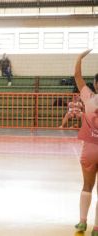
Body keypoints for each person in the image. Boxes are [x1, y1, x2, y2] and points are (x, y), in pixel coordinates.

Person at [72, 49, 98, 235]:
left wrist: (80, 58)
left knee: (87, 186)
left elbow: (77, 76)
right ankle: (97, 228)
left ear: (95, 84)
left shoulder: (89, 97)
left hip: (89, 149)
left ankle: (82, 222)